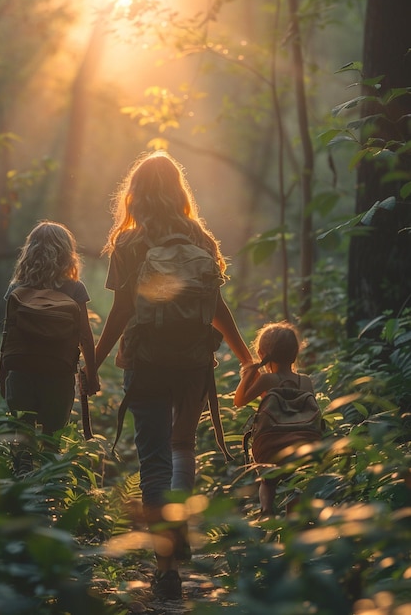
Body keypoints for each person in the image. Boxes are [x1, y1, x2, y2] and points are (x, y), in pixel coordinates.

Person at [95, 151, 253, 600]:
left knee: (153, 462)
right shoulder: (200, 239)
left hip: (146, 363)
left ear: (136, 194)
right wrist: (243, 356)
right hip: (193, 364)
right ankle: (179, 522)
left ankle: (165, 568)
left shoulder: (129, 243)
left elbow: (122, 311)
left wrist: (93, 363)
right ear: (179, 190)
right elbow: (217, 308)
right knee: (182, 446)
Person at [0, 220, 99, 475]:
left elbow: (7, 335)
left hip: (21, 371)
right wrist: (92, 374)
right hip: (58, 373)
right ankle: (49, 493)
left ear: (30, 251)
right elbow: (85, 336)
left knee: (22, 432)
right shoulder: (74, 289)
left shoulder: (16, 289)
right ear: (67, 253)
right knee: (52, 438)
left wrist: (3, 376)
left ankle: (22, 481)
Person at [234, 321, 315, 516]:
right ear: (295, 353)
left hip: (272, 447)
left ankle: (267, 510)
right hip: (303, 446)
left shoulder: (268, 380)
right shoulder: (306, 382)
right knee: (296, 481)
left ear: (262, 354)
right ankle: (293, 520)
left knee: (268, 480)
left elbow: (239, 401)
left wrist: (249, 374)